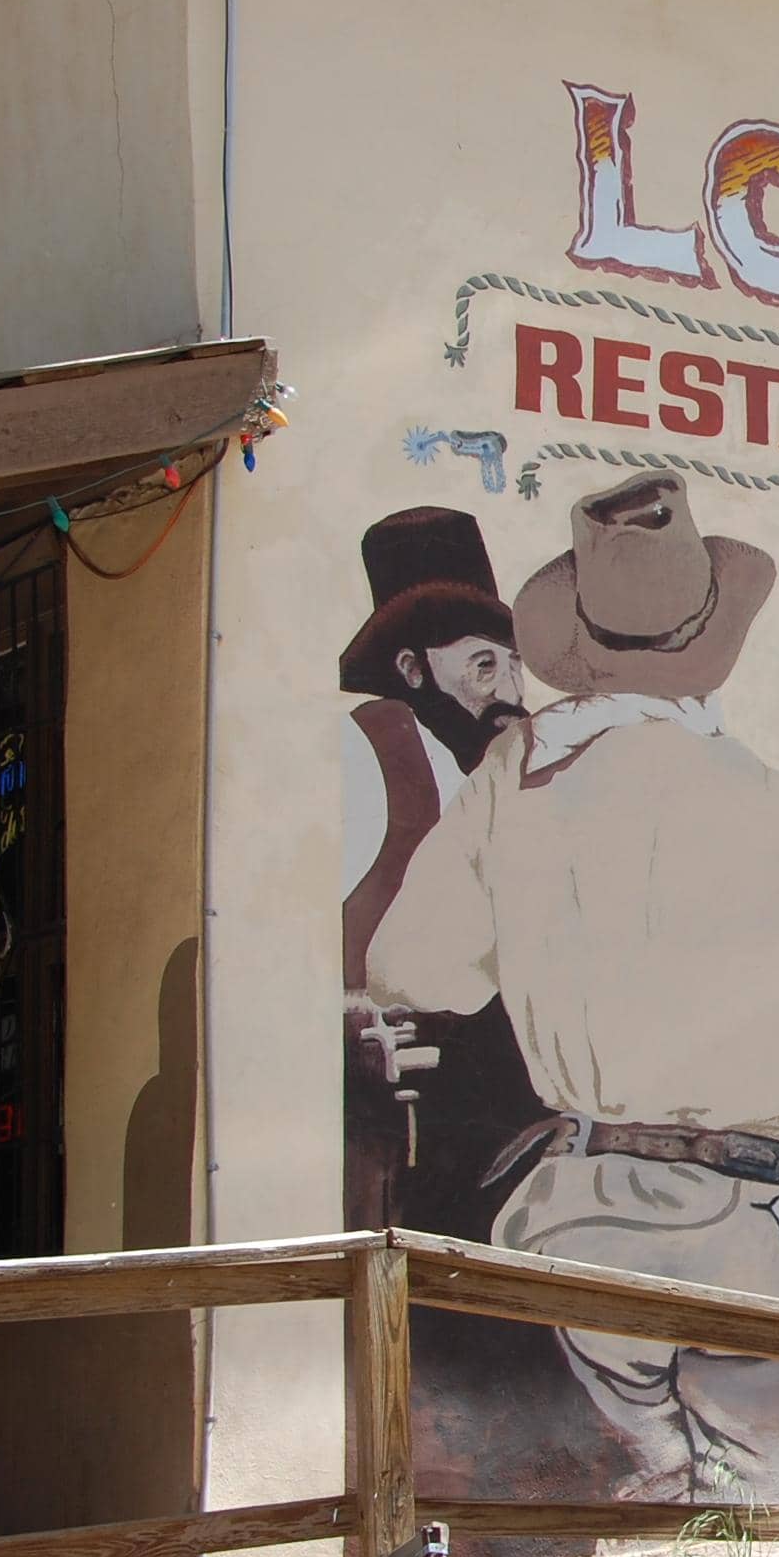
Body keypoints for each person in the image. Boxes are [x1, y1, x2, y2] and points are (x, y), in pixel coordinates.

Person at [366, 470, 779, 1506]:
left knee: (653, 1483)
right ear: (706, 644)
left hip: (580, 1224)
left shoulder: (510, 790)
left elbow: (411, 968)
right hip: (747, 1218)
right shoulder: (769, 795)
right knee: (758, 1498)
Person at [337, 507, 536, 1235]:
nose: (512, 690)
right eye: (485, 664)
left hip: (509, 1100)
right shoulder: (368, 751)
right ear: (413, 669)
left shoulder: (507, 774)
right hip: (412, 1107)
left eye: (515, 664)